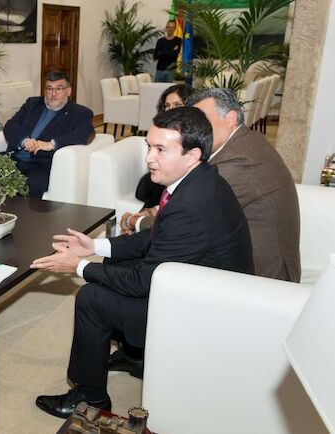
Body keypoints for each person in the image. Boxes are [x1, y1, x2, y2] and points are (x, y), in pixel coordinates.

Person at [30, 107, 254, 418]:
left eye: (161, 150)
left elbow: (140, 283)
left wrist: (79, 267)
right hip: (199, 286)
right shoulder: (200, 181)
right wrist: (95, 246)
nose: (149, 158)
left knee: (91, 298)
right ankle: (135, 355)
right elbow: (156, 238)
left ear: (192, 155)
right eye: (149, 146)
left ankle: (90, 399)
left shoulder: (192, 204)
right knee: (113, 265)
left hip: (204, 311)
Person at [121, 88, 301, 282]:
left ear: (230, 118)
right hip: (232, 257)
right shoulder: (243, 143)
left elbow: (184, 218)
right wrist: (148, 213)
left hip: (259, 279)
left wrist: (135, 222)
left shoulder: (239, 161)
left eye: (203, 119)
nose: (196, 127)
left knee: (131, 268)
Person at [3, 70, 95, 198]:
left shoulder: (80, 113)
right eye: (49, 89)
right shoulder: (32, 104)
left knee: (30, 187)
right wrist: (24, 141)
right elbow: (10, 125)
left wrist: (52, 144)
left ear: (68, 91)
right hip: (14, 159)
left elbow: (84, 133)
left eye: (59, 89)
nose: (53, 93)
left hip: (41, 165)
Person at [122, 83, 194, 229]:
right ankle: (139, 223)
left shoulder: (195, 134)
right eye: (167, 106)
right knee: (150, 185)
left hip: (180, 184)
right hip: (160, 182)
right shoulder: (161, 129)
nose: (171, 110)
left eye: (177, 105)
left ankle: (138, 223)